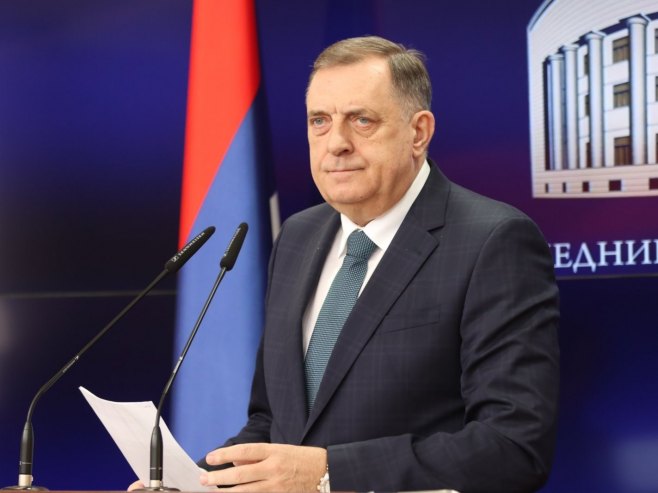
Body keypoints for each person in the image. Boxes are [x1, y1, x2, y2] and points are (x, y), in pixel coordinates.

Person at [136, 35, 560, 493]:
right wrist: (192, 485)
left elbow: (513, 447)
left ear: (418, 133)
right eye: (320, 121)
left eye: (362, 120)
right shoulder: (297, 236)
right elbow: (273, 423)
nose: (336, 143)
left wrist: (327, 474)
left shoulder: (492, 241)